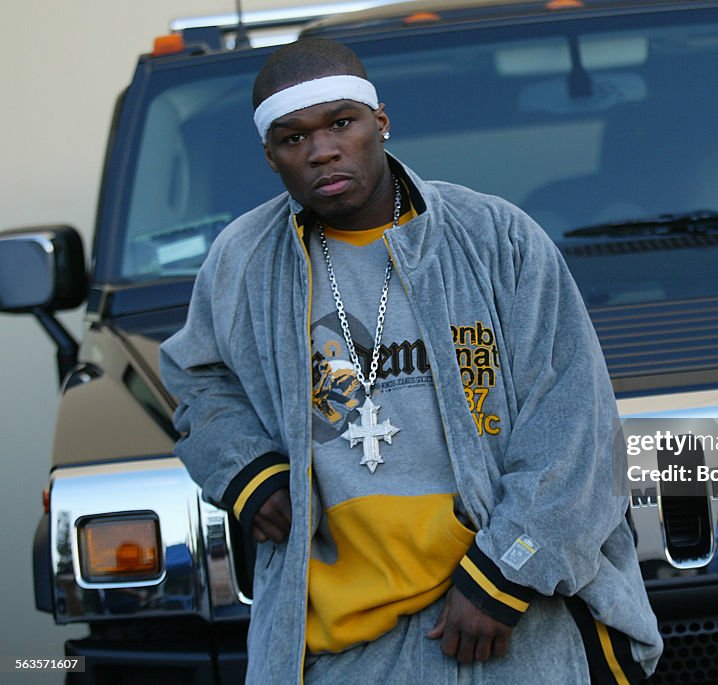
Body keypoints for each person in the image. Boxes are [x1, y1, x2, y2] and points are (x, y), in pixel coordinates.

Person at [160, 38, 661, 684]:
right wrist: (247, 470)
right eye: (293, 138)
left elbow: (576, 425)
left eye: (342, 122)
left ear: (381, 121)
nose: (321, 150)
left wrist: (507, 570)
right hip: (345, 650)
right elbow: (197, 378)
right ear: (270, 155)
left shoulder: (495, 238)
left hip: (514, 625)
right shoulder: (244, 261)